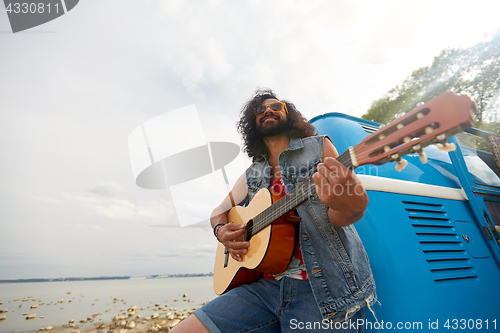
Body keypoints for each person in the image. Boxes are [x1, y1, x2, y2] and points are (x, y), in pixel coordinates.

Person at [172, 89, 376, 333]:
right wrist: (220, 230)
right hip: (264, 287)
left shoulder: (319, 148)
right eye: (259, 110)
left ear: (288, 115)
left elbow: (343, 215)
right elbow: (220, 210)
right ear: (252, 123)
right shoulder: (252, 173)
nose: (267, 110)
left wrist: (349, 205)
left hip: (323, 290)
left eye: (276, 106)